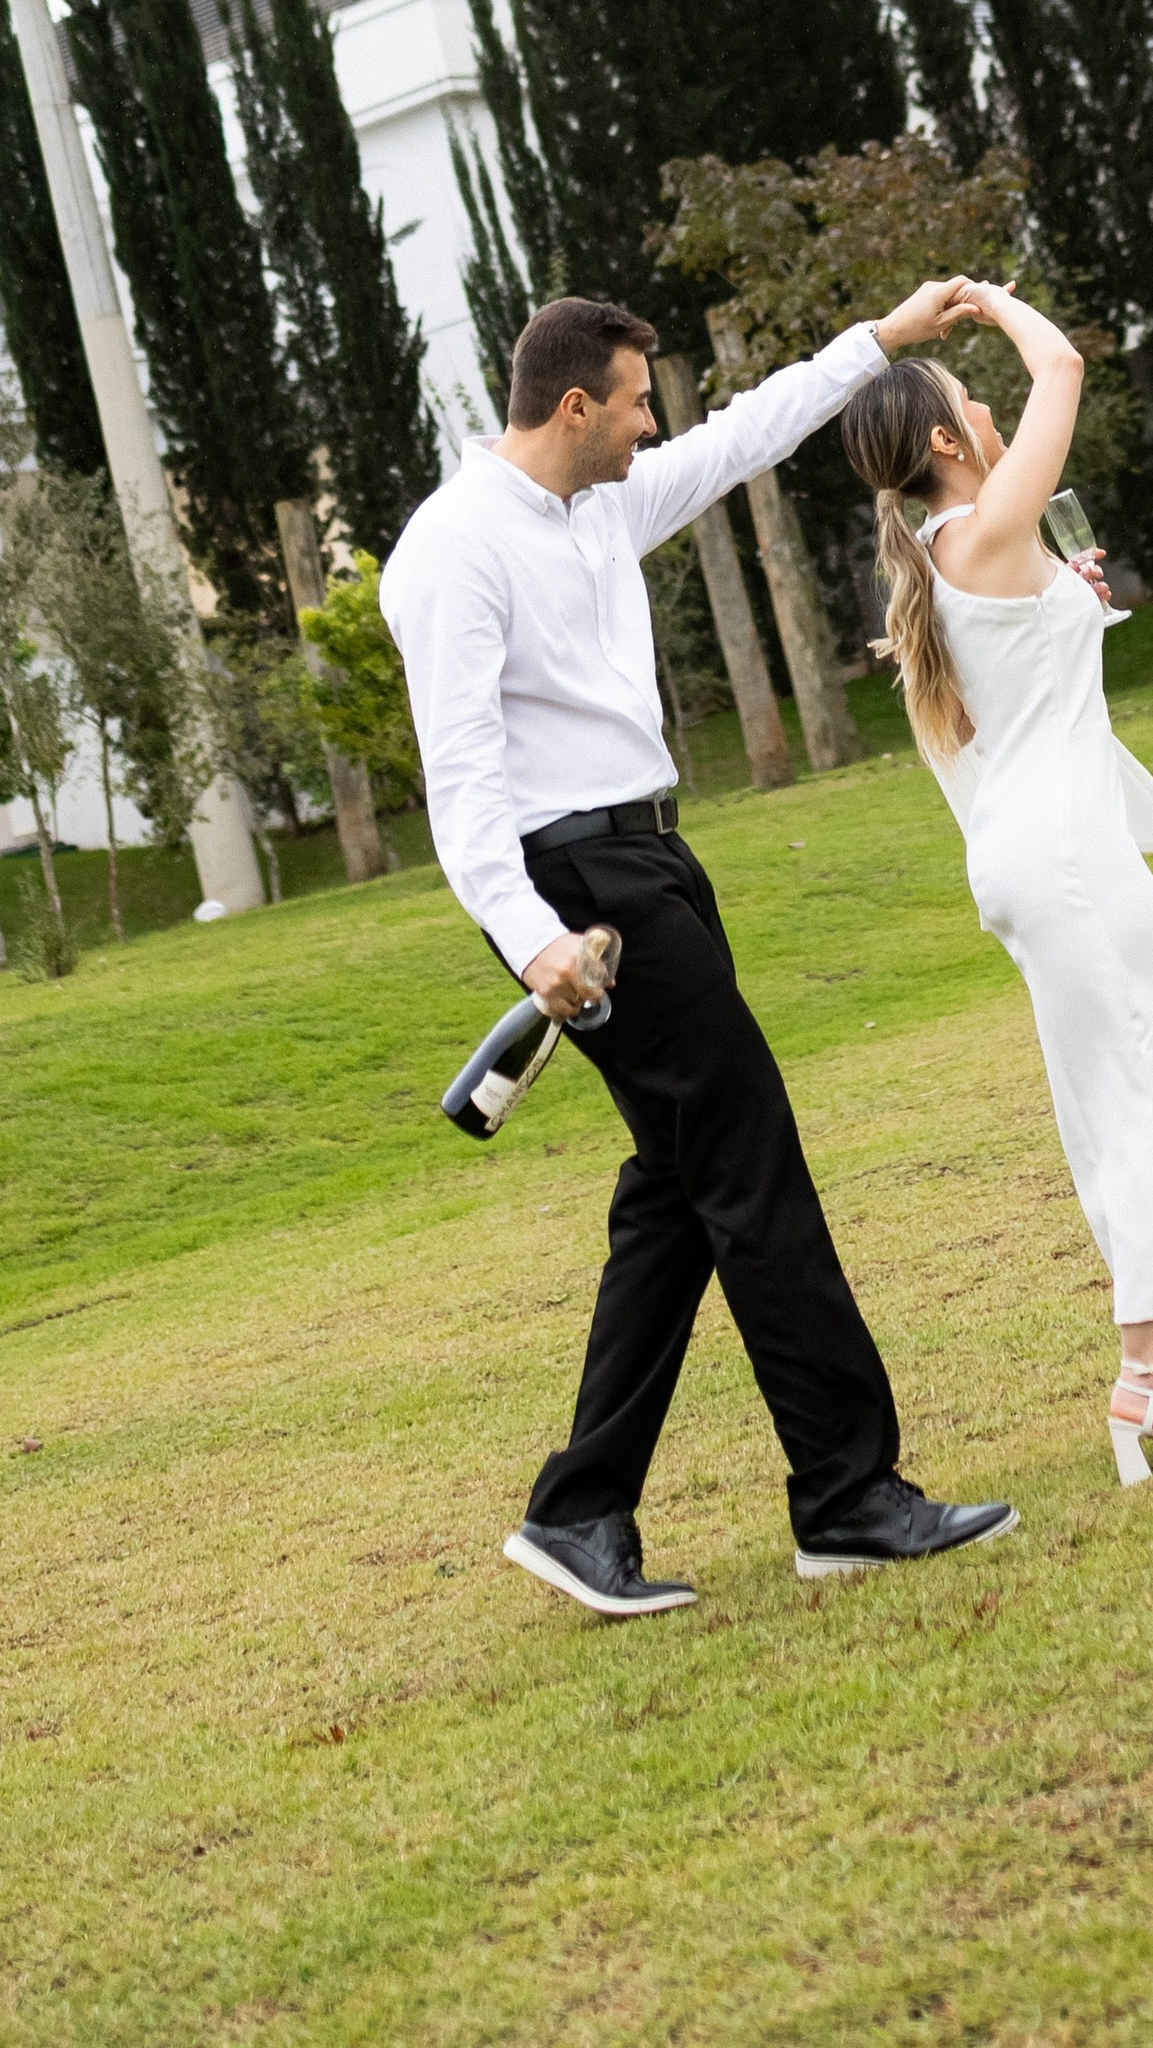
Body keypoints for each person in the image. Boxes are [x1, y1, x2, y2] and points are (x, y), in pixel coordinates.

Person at [381, 283, 1018, 1617]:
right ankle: (847, 1496)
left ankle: (580, 1512)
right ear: (572, 407)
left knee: (677, 1190)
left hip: (653, 856)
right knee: (750, 1157)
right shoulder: (453, 551)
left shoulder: (600, 503)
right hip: (579, 881)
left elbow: (744, 438)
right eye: (630, 404)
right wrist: (530, 937)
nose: (647, 425)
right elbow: (463, 775)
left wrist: (880, 342)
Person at [839, 279, 1153, 1480]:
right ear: (945, 443)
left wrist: (1066, 605)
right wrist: (990, 302)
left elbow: (1015, 695)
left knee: (1132, 1091)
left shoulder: (966, 545)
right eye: (965, 403)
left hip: (1041, 853)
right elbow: (1065, 372)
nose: (989, 406)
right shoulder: (985, 529)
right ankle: (1145, 1383)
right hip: (1064, 861)